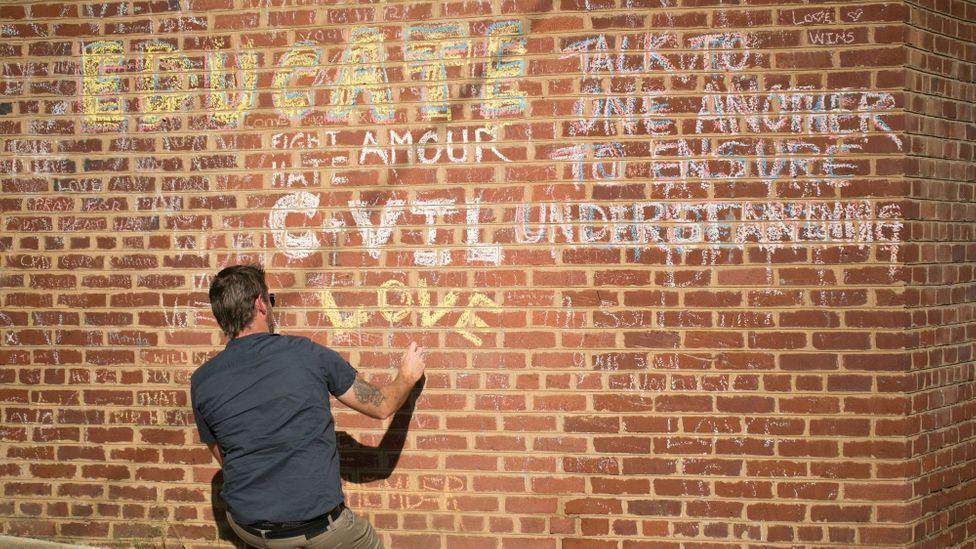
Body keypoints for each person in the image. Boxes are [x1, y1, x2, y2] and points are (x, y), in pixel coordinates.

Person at [190, 264, 425, 549]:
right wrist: (407, 377)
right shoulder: (307, 354)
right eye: (271, 300)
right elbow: (382, 405)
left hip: (248, 527)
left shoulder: (202, 380)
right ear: (260, 304)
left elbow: (226, 458)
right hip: (316, 529)